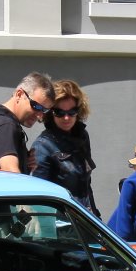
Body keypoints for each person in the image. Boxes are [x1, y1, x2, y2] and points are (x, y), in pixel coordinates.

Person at [31, 80, 97, 213]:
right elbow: (39, 196)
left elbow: (85, 185)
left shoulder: (82, 136)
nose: (66, 118)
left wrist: (94, 215)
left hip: (85, 215)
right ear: (50, 112)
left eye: (72, 111)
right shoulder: (42, 146)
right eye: (59, 112)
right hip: (61, 220)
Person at [0, 72, 56, 173]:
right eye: (36, 106)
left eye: (44, 110)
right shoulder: (4, 126)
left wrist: (24, 163)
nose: (39, 115)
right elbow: (11, 173)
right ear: (19, 94)